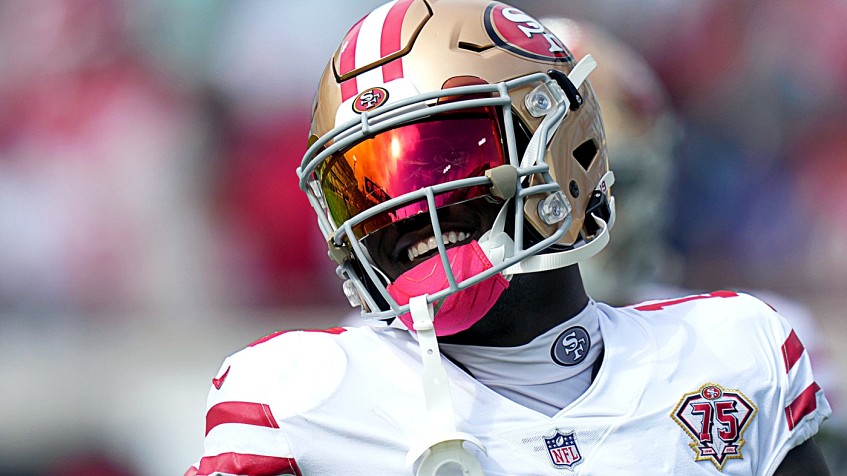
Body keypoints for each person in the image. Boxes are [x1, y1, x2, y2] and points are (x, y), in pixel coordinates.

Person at [186, 1, 831, 474]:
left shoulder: (739, 356)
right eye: (365, 186)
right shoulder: (300, 403)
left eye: (443, 158)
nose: (408, 210)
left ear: (562, 150)